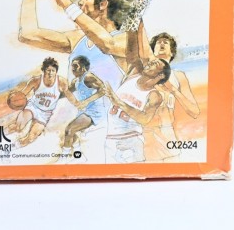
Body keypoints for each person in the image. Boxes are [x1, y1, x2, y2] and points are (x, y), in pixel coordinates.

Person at [19, 0, 133, 90]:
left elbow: (107, 45)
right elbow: (28, 34)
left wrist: (65, 2)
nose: (80, 1)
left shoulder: (127, 39)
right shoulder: (78, 38)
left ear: (102, 4)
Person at [103, 23, 171, 163]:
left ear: (160, 76)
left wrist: (119, 102)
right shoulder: (133, 75)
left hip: (131, 140)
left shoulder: (154, 95)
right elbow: (132, 53)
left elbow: (145, 119)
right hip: (110, 139)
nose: (150, 63)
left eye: (155, 64)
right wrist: (132, 24)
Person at [142, 32, 200, 162]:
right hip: (145, 135)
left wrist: (173, 90)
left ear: (172, 52)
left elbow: (194, 112)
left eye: (165, 42)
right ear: (152, 50)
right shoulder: (144, 74)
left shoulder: (179, 76)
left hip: (168, 134)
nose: (161, 43)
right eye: (158, 42)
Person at [7, 57, 70, 147]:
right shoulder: (35, 80)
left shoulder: (62, 82)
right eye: (48, 70)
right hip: (33, 107)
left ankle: (14, 146)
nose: (50, 73)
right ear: (43, 70)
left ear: (56, 71)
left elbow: (69, 95)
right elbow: (22, 94)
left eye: (53, 70)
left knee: (31, 137)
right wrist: (14, 99)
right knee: (19, 126)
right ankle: (2, 134)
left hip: (45, 114)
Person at [60, 55, 106, 159]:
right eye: (72, 66)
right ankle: (79, 157)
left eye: (75, 66)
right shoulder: (75, 81)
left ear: (83, 67)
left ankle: (63, 158)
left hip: (95, 111)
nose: (73, 69)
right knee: (73, 134)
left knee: (69, 130)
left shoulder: (88, 77)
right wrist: (52, 97)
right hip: (84, 111)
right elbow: (67, 93)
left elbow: (103, 90)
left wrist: (86, 101)